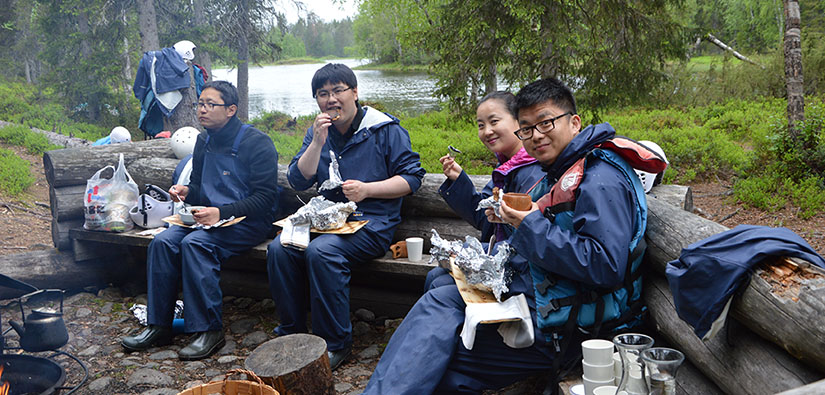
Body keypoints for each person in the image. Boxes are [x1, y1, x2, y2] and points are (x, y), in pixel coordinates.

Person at [363, 77, 662, 394]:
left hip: (573, 330)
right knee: (440, 312)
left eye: (546, 123)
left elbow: (605, 266)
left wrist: (528, 225)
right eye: (527, 129)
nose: (536, 136)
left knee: (440, 352)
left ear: (574, 122)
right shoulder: (562, 170)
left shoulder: (600, 179)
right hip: (544, 305)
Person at [266, 63, 425, 371]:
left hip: (373, 223)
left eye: (338, 90)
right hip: (327, 221)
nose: (331, 99)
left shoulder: (384, 129)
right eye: (323, 94)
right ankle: (292, 331)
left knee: (322, 252)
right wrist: (316, 142)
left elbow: (412, 178)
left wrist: (367, 189)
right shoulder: (320, 132)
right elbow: (298, 180)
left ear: (354, 92)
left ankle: (335, 342)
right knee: (279, 248)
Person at [121, 80, 280, 360]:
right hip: (208, 219)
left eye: (210, 104)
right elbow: (197, 187)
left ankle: (209, 330)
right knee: (163, 242)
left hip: (249, 222)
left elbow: (265, 198)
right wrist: (186, 191)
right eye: (200, 104)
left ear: (231, 109)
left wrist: (221, 213)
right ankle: (159, 325)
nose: (202, 111)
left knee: (196, 244)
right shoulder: (204, 139)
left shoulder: (257, 143)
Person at [425, 91, 543, 290]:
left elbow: (526, 238)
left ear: (519, 122)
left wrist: (463, 253)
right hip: (500, 261)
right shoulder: (506, 167)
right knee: (435, 276)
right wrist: (458, 179)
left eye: (494, 121)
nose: (487, 131)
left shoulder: (534, 171)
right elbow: (484, 219)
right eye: (481, 125)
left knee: (440, 284)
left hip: (522, 273)